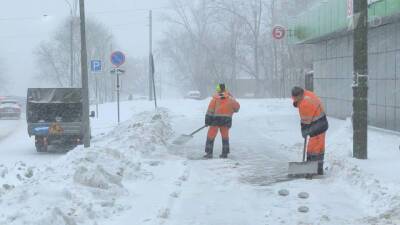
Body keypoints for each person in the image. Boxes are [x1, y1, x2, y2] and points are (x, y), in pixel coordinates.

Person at [291, 86, 329, 175]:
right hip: (321, 124)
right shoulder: (307, 94)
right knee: (319, 149)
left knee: (313, 149)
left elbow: (305, 121)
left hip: (317, 127)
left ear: (299, 96)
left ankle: (311, 171)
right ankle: (318, 169)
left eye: (295, 99)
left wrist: (304, 131)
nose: (295, 101)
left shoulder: (305, 104)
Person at [204, 83, 240, 159]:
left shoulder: (215, 99)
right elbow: (237, 108)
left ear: (218, 90)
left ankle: (209, 153)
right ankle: (225, 153)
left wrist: (207, 121)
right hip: (226, 120)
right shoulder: (231, 99)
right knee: (225, 137)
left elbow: (210, 110)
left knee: (210, 136)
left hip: (215, 120)